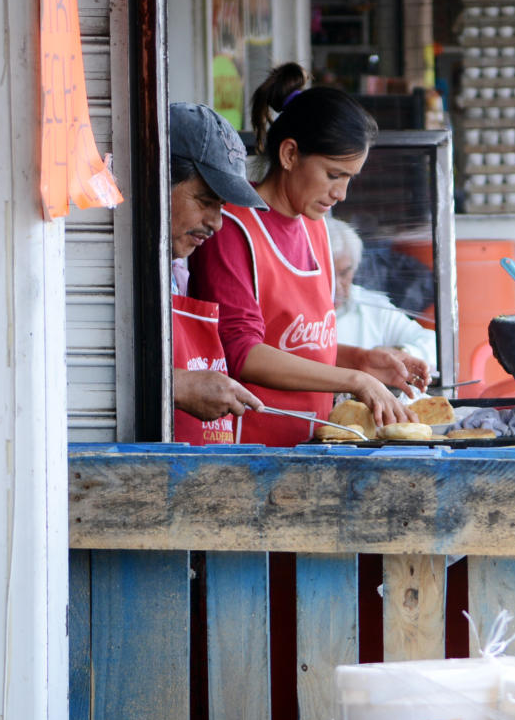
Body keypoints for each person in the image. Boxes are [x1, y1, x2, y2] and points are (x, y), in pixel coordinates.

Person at [188, 63, 418, 445]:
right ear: (291, 154)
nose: (341, 193)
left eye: (349, 178)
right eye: (333, 175)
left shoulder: (315, 226)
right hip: (252, 450)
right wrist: (354, 379)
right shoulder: (233, 227)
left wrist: (361, 360)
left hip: (312, 444)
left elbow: (297, 345)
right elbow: (242, 353)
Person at [168, 102, 266, 443]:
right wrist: (177, 385)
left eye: (221, 207)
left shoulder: (178, 268)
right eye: (205, 201)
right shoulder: (107, 269)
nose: (217, 223)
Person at [327, 217, 438, 369]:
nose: (337, 287)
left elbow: (434, 346)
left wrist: (399, 353)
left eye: (344, 273)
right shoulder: (294, 314)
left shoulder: (371, 307)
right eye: (327, 275)